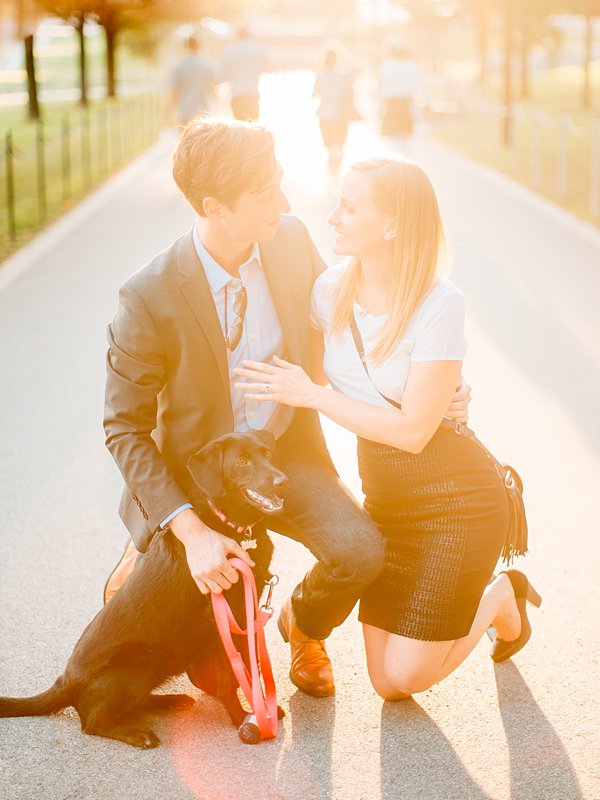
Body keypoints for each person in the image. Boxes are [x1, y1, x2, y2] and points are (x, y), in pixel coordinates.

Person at [102, 118, 471, 699]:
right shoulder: (147, 295)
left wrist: (432, 382)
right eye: (266, 193)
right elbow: (124, 429)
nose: (286, 201)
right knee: (211, 678)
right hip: (200, 483)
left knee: (360, 551)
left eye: (280, 182)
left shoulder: (291, 239)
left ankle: (305, 627)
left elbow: (354, 326)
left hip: (283, 456)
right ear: (214, 206)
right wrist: (190, 530)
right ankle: (153, 542)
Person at [234, 156, 542, 700]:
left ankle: (500, 595)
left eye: (350, 207)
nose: (332, 216)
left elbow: (412, 432)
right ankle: (307, 618)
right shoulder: (328, 292)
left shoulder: (440, 303)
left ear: (393, 225)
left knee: (400, 680)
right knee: (383, 680)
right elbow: (311, 369)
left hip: (456, 500)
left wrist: (316, 396)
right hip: (386, 494)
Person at [312, 46, 359, 170]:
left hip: (325, 113)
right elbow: (351, 93)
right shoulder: (344, 76)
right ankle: (338, 158)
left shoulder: (320, 76)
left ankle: (332, 159)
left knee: (329, 140)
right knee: (340, 139)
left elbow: (314, 95)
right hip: (341, 113)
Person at [378, 41, 420, 153]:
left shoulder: (387, 65)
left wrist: (380, 105)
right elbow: (416, 86)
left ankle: (396, 159)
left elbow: (383, 87)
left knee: (393, 136)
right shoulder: (411, 65)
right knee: (405, 135)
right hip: (406, 102)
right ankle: (404, 158)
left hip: (392, 102)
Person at [220, 26, 269, 120]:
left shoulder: (228, 51)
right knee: (253, 128)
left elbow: (223, 76)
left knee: (239, 128)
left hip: (237, 95)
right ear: (249, 35)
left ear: (236, 36)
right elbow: (269, 68)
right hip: (252, 94)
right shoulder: (258, 49)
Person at [169, 36, 217, 125]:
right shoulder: (206, 65)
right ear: (199, 46)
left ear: (185, 47)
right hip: (203, 110)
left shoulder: (180, 66)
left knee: (185, 136)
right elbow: (214, 86)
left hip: (185, 110)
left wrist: (169, 111)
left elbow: (175, 90)